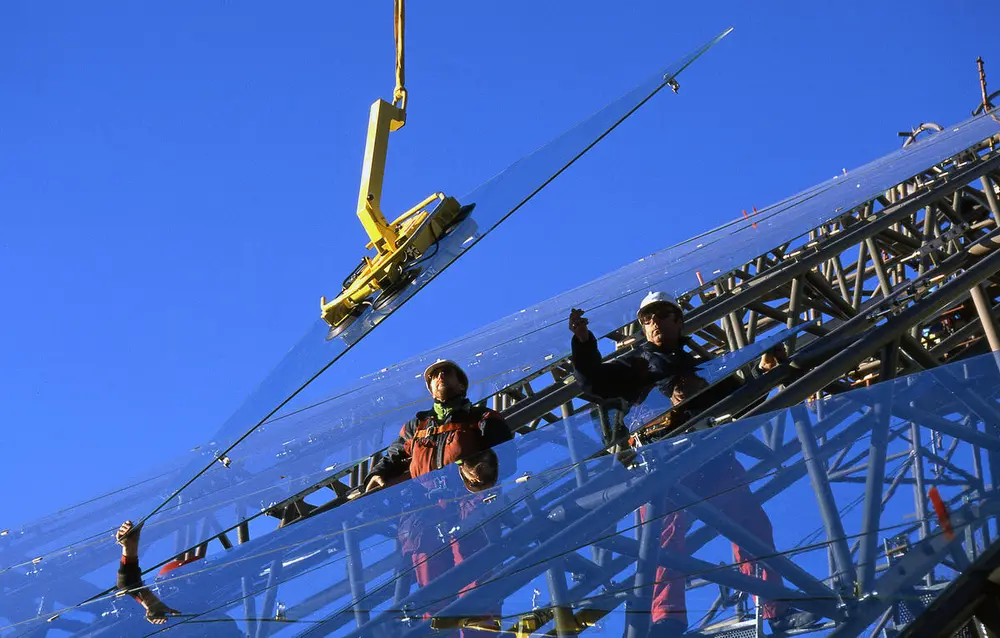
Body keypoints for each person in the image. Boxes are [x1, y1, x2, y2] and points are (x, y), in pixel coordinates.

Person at [570, 292, 814, 637]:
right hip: (662, 464)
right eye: (646, 319)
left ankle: (775, 608)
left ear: (677, 320)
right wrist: (583, 343)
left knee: (751, 526)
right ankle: (667, 620)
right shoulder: (635, 365)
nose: (652, 323)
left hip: (708, 457)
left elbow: (740, 398)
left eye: (659, 316)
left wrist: (763, 370)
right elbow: (593, 381)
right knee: (664, 541)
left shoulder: (700, 363)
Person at [363, 359, 513, 632]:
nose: (439, 376)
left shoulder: (483, 419)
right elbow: (394, 456)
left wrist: (479, 468)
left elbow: (507, 460)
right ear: (431, 389)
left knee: (473, 578)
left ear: (462, 384)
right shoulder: (416, 427)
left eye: (447, 372)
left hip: (468, 501)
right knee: (429, 586)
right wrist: (377, 474)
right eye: (434, 376)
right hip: (425, 510)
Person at [114, 520, 242, 635]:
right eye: (189, 579)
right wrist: (129, 548)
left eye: (198, 578)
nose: (194, 582)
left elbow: (130, 584)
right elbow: (129, 583)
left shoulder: (216, 619)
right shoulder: (155, 613)